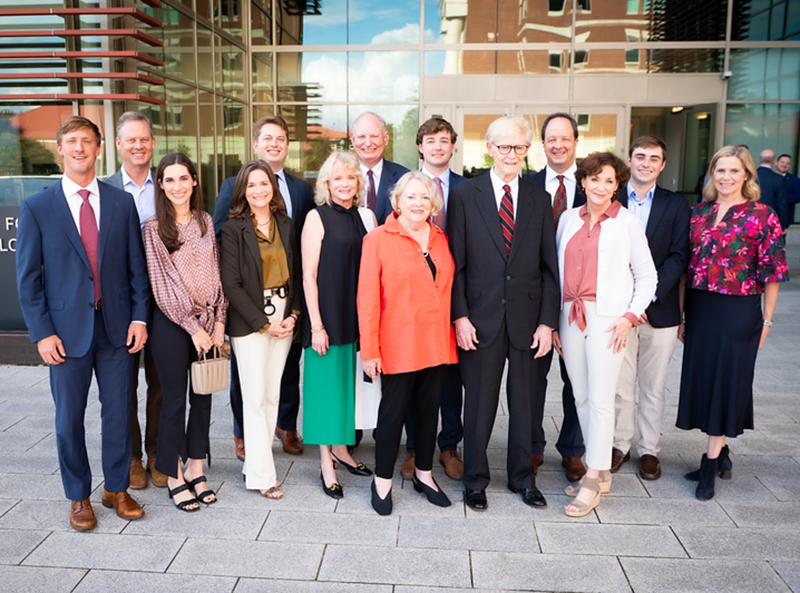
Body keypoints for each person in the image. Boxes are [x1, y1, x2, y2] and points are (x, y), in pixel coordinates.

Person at [17, 116, 150, 530]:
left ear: (98, 149)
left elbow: (137, 269)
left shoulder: (121, 203)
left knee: (119, 413)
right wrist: (42, 333)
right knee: (68, 418)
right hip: (64, 333)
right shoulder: (38, 207)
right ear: (60, 149)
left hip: (116, 329)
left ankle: (116, 489)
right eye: (72, 141)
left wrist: (140, 318)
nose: (79, 148)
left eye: (87, 141)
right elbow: (29, 280)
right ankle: (78, 496)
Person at [448, 116, 559, 512]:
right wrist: (460, 316)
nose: (512, 154)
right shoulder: (464, 195)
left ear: (527, 150)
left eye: (520, 147)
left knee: (526, 404)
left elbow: (549, 267)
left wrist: (547, 322)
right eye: (505, 146)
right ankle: (475, 481)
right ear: (489, 148)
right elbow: (456, 263)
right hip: (479, 318)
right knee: (478, 404)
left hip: (528, 320)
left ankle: (522, 478)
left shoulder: (539, 198)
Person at [678, 145, 788, 500]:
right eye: (720, 170)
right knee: (706, 382)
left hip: (739, 309)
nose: (726, 177)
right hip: (701, 308)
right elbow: (684, 270)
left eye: (734, 171)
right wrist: (682, 315)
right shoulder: (698, 213)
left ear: (747, 175)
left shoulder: (762, 215)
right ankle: (722, 453)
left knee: (726, 382)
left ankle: (709, 465)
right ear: (712, 173)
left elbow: (772, 273)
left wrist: (767, 321)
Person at [556, 151, 657, 517]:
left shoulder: (627, 223)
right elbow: (556, 270)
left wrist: (630, 316)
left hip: (609, 319)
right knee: (581, 397)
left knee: (600, 398)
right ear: (583, 181)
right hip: (570, 315)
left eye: (609, 181)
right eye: (594, 178)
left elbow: (647, 276)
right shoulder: (568, 218)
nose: (600, 186)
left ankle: (592, 477)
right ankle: (599, 468)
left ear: (617, 187)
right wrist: (553, 320)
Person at [213, 115, 315, 460]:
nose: (274, 144)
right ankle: (244, 433)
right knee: (247, 376)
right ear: (256, 144)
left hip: (287, 299)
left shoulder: (302, 189)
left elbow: (299, 247)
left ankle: (285, 426)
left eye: (280, 138)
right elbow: (221, 238)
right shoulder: (233, 185)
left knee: (288, 367)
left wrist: (296, 307)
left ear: (287, 145)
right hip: (250, 301)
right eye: (267, 138)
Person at [359, 171, 459, 515]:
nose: (418, 203)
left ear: (433, 203)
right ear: (397, 201)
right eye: (410, 197)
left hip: (436, 341)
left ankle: (424, 474)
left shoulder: (441, 238)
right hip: (397, 343)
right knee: (392, 414)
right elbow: (367, 299)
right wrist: (369, 350)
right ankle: (382, 480)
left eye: (424, 197)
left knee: (429, 412)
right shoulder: (377, 239)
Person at [143, 153, 228, 512]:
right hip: (172, 324)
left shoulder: (205, 221)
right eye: (169, 180)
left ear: (194, 181)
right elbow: (163, 285)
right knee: (175, 399)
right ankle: (174, 474)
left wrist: (220, 320)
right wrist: (193, 328)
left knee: (204, 396)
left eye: (183, 178)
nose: (177, 186)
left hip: (209, 322)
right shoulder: (153, 229)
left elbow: (217, 273)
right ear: (161, 185)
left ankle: (196, 468)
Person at [221, 160, 302, 499]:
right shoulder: (232, 229)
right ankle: (262, 475)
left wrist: (293, 315)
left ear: (273, 187)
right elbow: (231, 284)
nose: (258, 190)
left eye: (264, 183)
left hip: (283, 314)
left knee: (271, 395)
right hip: (250, 320)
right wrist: (264, 324)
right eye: (251, 185)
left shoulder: (285, 223)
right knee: (254, 397)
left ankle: (256, 463)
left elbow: (296, 272)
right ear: (243, 191)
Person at [612, 136, 690, 480]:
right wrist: (629, 303)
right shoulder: (610, 197)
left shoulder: (677, 205)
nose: (646, 163)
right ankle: (619, 444)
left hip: (661, 309)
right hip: (620, 312)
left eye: (654, 158)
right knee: (620, 384)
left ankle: (649, 450)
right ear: (629, 160)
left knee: (653, 386)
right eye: (640, 156)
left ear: (662, 165)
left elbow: (679, 256)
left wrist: (646, 298)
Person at [302, 150, 375, 499]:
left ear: (358, 182)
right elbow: (308, 276)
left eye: (350, 177)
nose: (345, 184)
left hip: (358, 317)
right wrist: (317, 326)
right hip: (328, 317)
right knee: (325, 391)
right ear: (327, 184)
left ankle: (342, 450)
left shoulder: (367, 216)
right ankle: (325, 462)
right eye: (337, 179)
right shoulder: (316, 217)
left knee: (349, 388)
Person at [399, 117, 466, 482]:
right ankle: (414, 446)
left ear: (452, 146)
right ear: (420, 147)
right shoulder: (407, 186)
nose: (438, 146)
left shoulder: (470, 188)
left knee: (450, 376)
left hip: (453, 294)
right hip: (412, 299)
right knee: (414, 374)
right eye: (430, 140)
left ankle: (448, 445)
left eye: (444, 140)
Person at [104, 111, 167, 490]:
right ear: (118, 145)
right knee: (121, 385)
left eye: (144, 139)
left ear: (153, 143)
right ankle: (131, 457)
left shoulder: (170, 184)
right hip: (119, 303)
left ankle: (158, 452)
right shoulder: (103, 189)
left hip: (164, 301)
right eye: (131, 139)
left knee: (161, 382)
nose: (138, 145)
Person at [527, 112, 587, 482]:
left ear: (576, 142)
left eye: (565, 138)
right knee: (533, 379)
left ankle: (573, 450)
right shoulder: (527, 185)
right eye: (551, 139)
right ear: (543, 144)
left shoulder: (594, 183)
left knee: (577, 378)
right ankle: (533, 446)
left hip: (581, 301)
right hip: (535, 300)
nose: (558, 145)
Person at [351, 111, 410, 225]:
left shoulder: (404, 178)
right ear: (353, 140)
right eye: (361, 137)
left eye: (374, 136)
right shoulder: (339, 180)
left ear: (386, 138)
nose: (368, 143)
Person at [756, 149, 790, 233]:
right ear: (774, 162)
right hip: (769, 220)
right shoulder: (779, 179)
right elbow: (781, 204)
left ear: (759, 160)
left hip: (749, 217)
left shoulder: (748, 176)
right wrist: (783, 224)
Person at [775, 153, 800, 224]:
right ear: (776, 163)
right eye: (782, 162)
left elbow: (798, 196)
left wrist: (782, 198)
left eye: (787, 163)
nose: (784, 165)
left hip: (784, 218)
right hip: (766, 216)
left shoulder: (795, 180)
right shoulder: (768, 177)